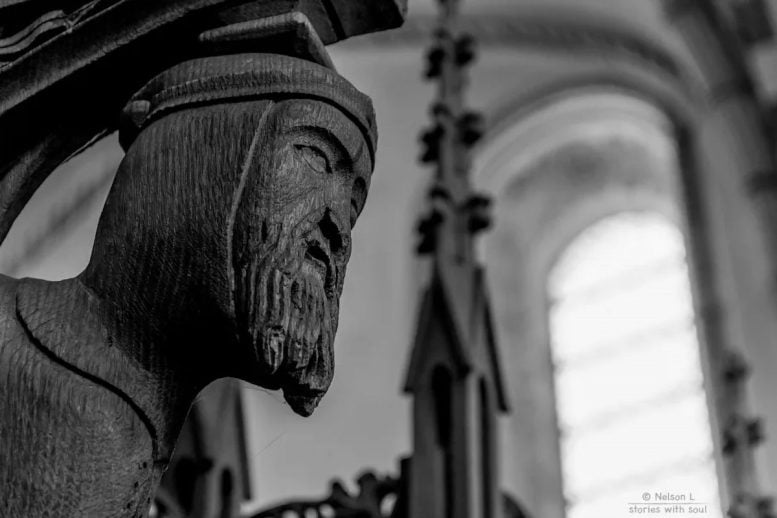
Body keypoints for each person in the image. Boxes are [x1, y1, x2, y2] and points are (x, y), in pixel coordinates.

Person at [0, 53, 377, 517]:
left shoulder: (148, 433)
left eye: (353, 201)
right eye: (314, 157)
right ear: (196, 154)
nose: (338, 222)